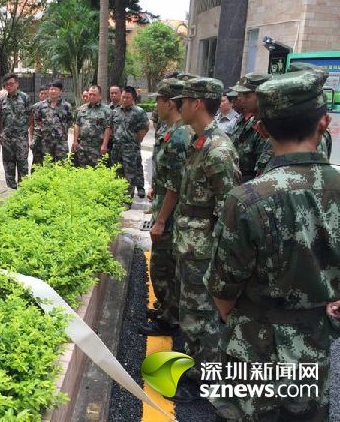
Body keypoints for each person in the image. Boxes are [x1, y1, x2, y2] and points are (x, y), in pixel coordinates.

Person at [205, 64, 340, 421]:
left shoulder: (246, 200)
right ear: (324, 123)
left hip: (251, 348)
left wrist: (247, 321)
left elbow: (222, 289)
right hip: (313, 348)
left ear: (262, 129)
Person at [171, 77, 240, 400]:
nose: (179, 106)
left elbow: (228, 211)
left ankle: (210, 384)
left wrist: (220, 258)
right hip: (190, 243)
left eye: (184, 101)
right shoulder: (198, 141)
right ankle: (198, 369)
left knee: (203, 317)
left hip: (203, 248)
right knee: (191, 313)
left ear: (197, 104)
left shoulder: (218, 149)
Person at [139, 78, 191, 337]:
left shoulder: (180, 134)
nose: (156, 105)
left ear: (169, 103)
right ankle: (165, 309)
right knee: (164, 265)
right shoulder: (171, 129)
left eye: (158, 100)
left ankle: (169, 320)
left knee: (163, 267)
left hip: (170, 215)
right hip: (164, 206)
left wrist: (160, 221)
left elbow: (176, 185)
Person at [229, 73, 272, 182]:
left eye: (247, 95)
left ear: (262, 96)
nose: (241, 99)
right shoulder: (250, 122)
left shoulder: (270, 127)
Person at [110, 86, 149, 199]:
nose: (124, 99)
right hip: (116, 149)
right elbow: (111, 127)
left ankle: (127, 200)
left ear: (133, 99)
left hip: (130, 149)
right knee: (117, 173)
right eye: (123, 97)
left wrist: (135, 141)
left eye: (127, 97)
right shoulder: (115, 111)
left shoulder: (139, 112)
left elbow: (143, 129)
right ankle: (117, 197)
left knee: (130, 175)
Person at [0, 73, 32, 189]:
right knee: (8, 167)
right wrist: (1, 133)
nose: (9, 86)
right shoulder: (2, 100)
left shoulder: (25, 98)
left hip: (21, 139)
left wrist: (24, 129)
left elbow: (30, 116)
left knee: (23, 166)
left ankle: (23, 192)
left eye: (11, 84)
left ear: (17, 84)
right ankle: (11, 191)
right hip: (7, 140)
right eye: (6, 84)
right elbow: (1, 118)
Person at [72, 85, 111, 167]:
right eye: (90, 94)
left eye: (94, 95)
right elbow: (77, 125)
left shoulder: (106, 110)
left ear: (100, 96)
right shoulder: (81, 109)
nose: (91, 96)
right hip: (83, 145)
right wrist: (75, 141)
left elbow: (108, 128)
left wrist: (104, 144)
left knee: (97, 169)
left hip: (97, 146)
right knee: (81, 169)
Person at [35, 80, 73, 163]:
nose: (53, 91)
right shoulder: (41, 106)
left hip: (61, 142)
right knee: (47, 165)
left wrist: (60, 130)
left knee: (62, 165)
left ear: (60, 91)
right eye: (51, 89)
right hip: (46, 142)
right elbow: (38, 121)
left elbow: (70, 122)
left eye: (55, 89)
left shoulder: (66, 106)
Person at [30, 85, 49, 167]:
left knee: (48, 162)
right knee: (36, 163)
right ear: (39, 94)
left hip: (49, 140)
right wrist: (30, 140)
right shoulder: (35, 107)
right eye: (42, 93)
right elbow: (31, 125)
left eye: (45, 94)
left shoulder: (52, 107)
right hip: (37, 139)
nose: (43, 96)